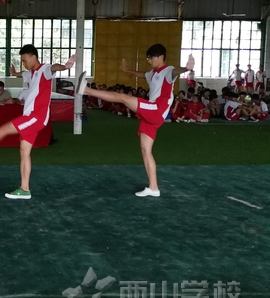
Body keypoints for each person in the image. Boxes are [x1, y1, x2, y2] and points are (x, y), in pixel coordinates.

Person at [0, 45, 76, 200]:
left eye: (25, 60)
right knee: (24, 152)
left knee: (3, 130)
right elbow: (22, 74)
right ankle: (25, 189)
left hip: (35, 117)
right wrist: (14, 73)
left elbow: (54, 67)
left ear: (33, 57)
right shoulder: (30, 73)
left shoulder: (44, 70)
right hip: (32, 117)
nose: (24, 63)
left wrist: (65, 66)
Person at [76, 44, 194, 198]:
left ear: (160, 57)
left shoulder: (168, 71)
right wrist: (128, 71)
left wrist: (186, 68)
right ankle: (154, 188)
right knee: (145, 150)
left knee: (122, 98)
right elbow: (142, 75)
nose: (149, 61)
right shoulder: (152, 73)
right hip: (151, 114)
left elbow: (176, 71)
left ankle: (85, 90)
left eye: (150, 58)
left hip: (156, 109)